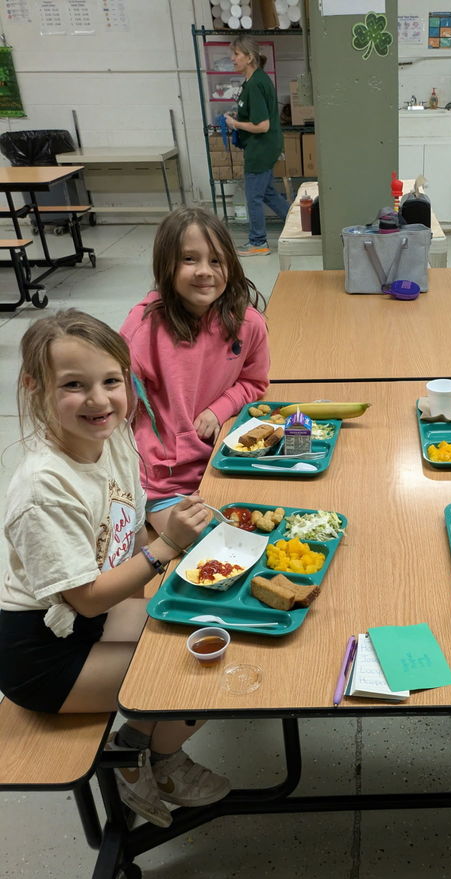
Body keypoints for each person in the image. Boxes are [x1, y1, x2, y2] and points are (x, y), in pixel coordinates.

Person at [0, 310, 231, 828]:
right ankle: (148, 759)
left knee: (208, 629)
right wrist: (169, 545)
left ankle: (142, 745)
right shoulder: (44, 489)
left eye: (110, 381)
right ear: (36, 389)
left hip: (92, 615)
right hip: (44, 651)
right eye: (74, 386)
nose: (100, 400)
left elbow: (126, 534)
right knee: (197, 672)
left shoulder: (114, 442)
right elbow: (86, 598)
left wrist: (185, 528)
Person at [122, 205, 270, 535]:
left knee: (269, 529)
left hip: (224, 461)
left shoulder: (248, 324)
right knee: (216, 545)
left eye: (215, 260)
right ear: (166, 265)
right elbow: (118, 410)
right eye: (189, 259)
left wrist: (221, 409)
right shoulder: (143, 329)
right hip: (163, 482)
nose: (204, 270)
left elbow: (254, 381)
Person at [225, 37, 289, 257]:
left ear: (249, 57)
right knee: (268, 193)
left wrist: (234, 124)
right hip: (264, 145)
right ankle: (301, 226)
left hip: (260, 148)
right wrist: (239, 117)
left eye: (236, 54)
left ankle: (258, 242)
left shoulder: (255, 84)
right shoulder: (255, 80)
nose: (232, 59)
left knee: (253, 196)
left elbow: (262, 125)